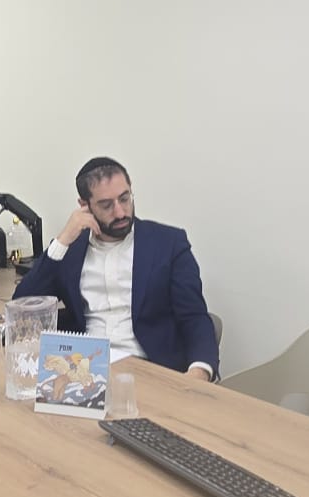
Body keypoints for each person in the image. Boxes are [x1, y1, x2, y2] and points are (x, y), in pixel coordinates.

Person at [13, 157, 219, 380]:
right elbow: (22, 307)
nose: (120, 212)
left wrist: (199, 372)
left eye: (124, 199)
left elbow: (194, 317)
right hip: (84, 370)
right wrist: (62, 240)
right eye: (106, 205)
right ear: (84, 206)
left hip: (149, 370)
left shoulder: (168, 244)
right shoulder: (71, 249)